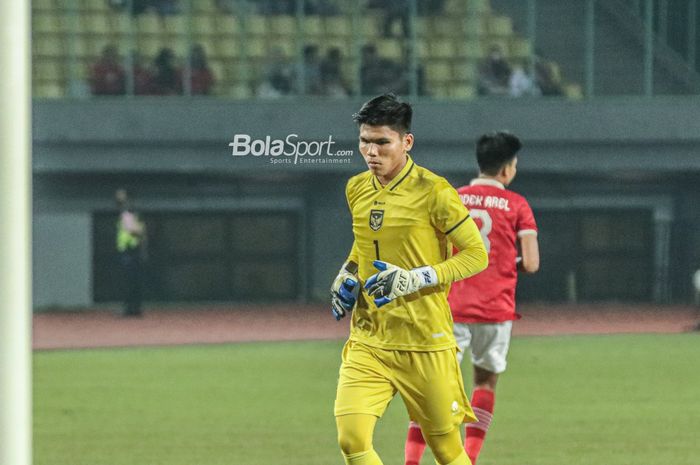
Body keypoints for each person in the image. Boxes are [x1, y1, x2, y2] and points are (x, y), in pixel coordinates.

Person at [331, 93, 489, 465]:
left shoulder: (434, 192)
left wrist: (417, 278)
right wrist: (346, 274)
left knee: (447, 450)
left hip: (424, 341)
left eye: (382, 142)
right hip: (369, 339)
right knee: (352, 439)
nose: (371, 152)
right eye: (365, 141)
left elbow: (477, 254)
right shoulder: (356, 188)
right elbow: (363, 247)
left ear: (406, 142)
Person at [403, 131, 540, 465]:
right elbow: (532, 263)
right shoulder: (517, 204)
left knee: (432, 388)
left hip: (449, 308)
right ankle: (470, 458)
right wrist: (508, 263)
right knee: (485, 383)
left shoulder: (452, 198)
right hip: (495, 310)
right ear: (507, 169)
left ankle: (411, 462)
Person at [115, 189, 147, 317]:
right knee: (133, 281)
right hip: (132, 250)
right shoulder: (131, 212)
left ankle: (131, 308)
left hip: (130, 250)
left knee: (130, 281)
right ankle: (135, 308)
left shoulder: (127, 212)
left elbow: (134, 230)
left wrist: (134, 230)